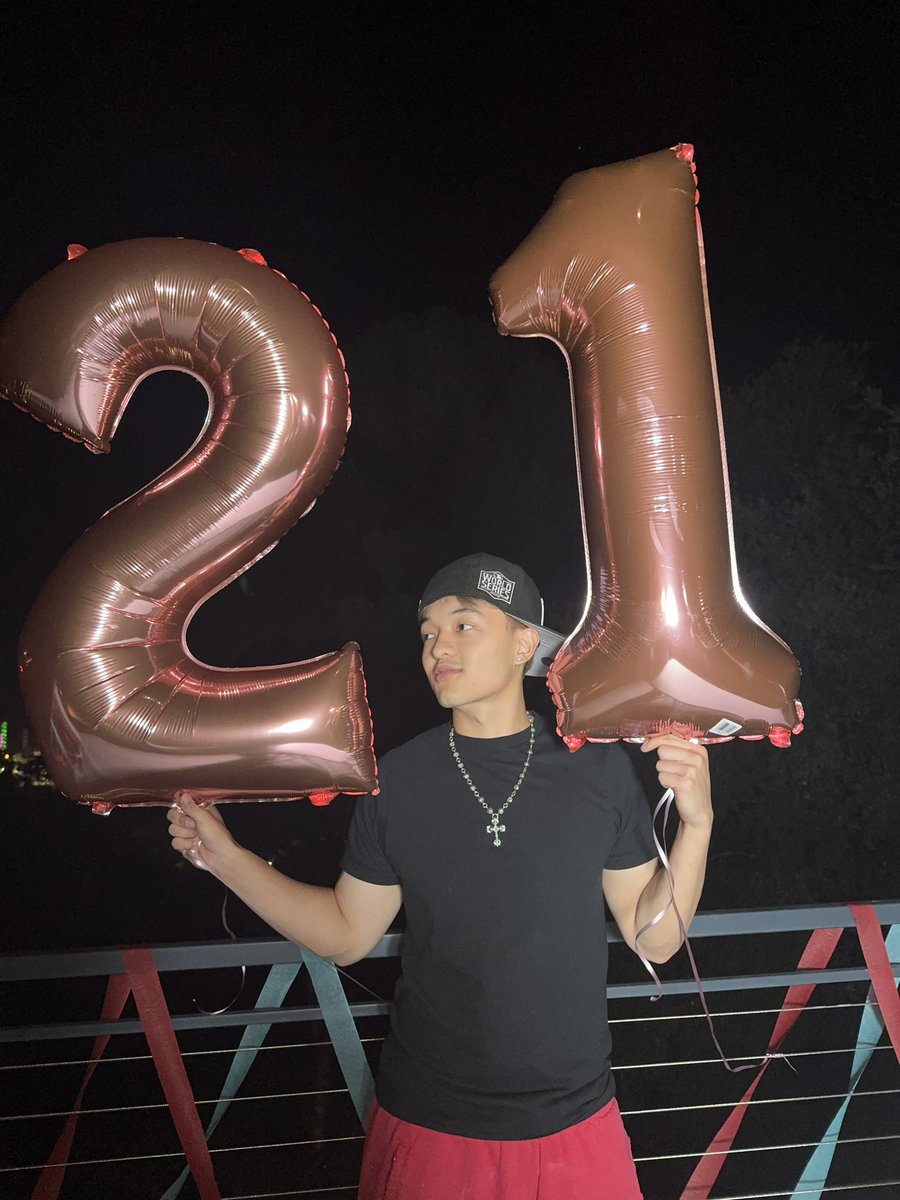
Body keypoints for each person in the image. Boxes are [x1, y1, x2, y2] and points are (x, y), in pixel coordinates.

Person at [169, 553, 714, 1199]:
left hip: (573, 1119)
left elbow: (655, 938)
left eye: (463, 625)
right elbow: (346, 933)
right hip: (430, 1120)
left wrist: (697, 823)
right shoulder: (397, 780)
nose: (437, 648)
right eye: (427, 632)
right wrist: (225, 857)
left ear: (524, 645)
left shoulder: (597, 771)